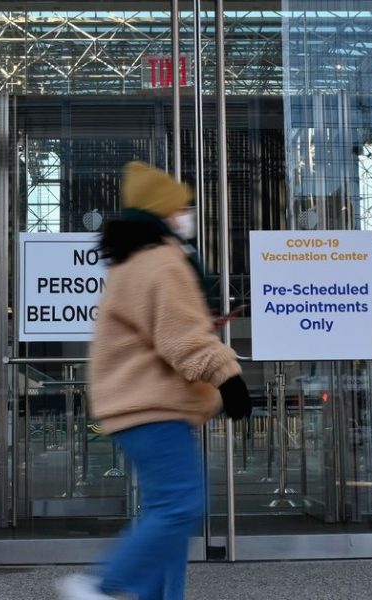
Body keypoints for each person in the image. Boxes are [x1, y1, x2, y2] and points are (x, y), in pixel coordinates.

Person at [57, 162, 252, 600]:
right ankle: (100, 585)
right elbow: (181, 336)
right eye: (181, 208)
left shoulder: (134, 263)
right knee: (180, 505)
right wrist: (228, 377)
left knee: (167, 518)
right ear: (163, 212)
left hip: (141, 406)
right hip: (151, 406)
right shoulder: (162, 262)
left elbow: (165, 329)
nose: (186, 215)